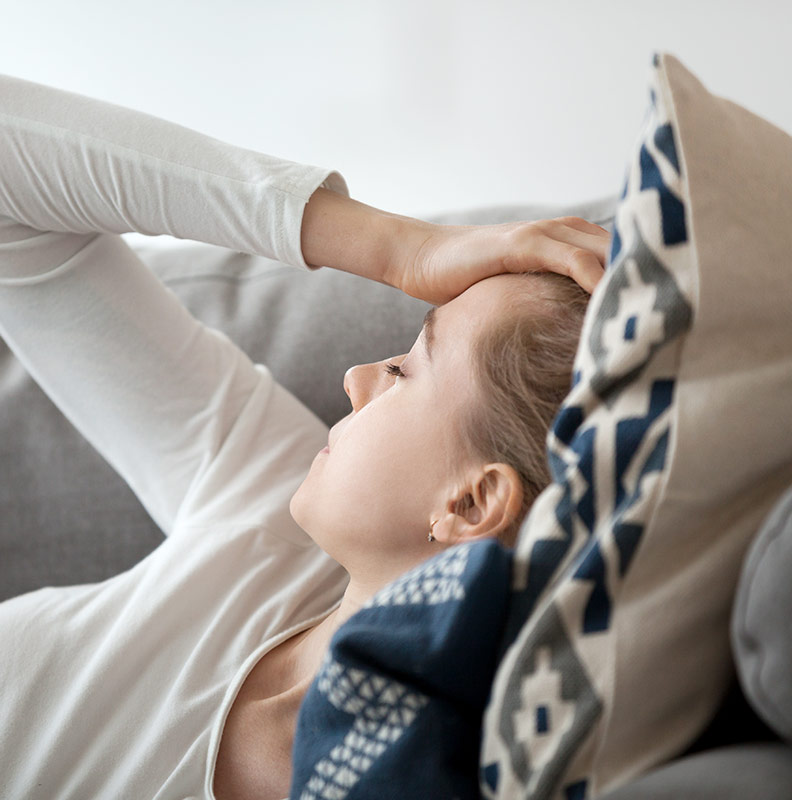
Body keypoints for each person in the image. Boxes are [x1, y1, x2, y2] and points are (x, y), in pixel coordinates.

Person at [0, 74, 609, 800]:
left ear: (472, 502)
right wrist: (400, 249)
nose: (355, 377)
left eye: (403, 368)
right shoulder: (265, 507)